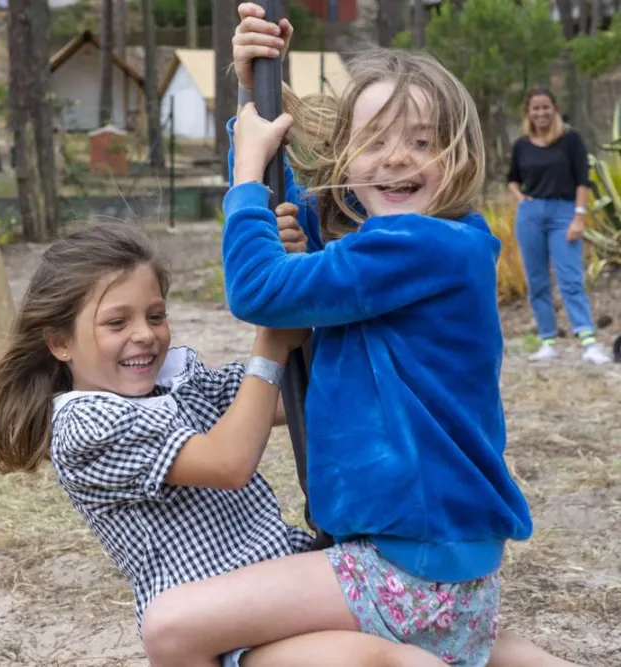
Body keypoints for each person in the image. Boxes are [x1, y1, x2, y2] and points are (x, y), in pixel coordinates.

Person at [136, 6, 579, 667]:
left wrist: (244, 176)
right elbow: (297, 227)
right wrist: (251, 89)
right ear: (344, 157)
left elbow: (258, 290)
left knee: (171, 628)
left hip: (406, 567)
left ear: (461, 154)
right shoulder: (397, 249)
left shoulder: (422, 245)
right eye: (374, 141)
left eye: (424, 142)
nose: (398, 155)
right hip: (432, 564)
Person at [0, 223, 580, 667]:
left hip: (289, 579)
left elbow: (295, 395)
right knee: (379, 657)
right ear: (59, 343)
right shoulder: (86, 425)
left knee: (454, 638)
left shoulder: (181, 383)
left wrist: (303, 280)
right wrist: (269, 343)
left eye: (155, 314)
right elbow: (230, 460)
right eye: (116, 322)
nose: (144, 336)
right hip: (230, 629)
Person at [507, 87, 611, 364]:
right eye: (535, 108)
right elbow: (512, 179)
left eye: (545, 107)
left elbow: (582, 179)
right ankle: (547, 341)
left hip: (564, 212)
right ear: (528, 112)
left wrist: (579, 215)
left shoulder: (570, 140)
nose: (541, 113)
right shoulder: (522, 145)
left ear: (554, 108)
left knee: (570, 279)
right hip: (530, 215)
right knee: (537, 281)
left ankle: (588, 341)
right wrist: (521, 199)